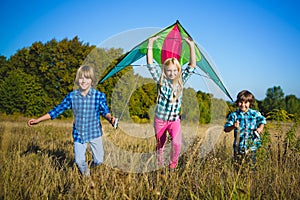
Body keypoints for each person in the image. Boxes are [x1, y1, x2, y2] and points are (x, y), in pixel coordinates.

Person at [27, 65, 116, 176]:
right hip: (79, 134)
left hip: (94, 133)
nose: (83, 81)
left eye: (87, 78)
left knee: (98, 160)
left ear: (92, 81)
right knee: (79, 161)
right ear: (77, 80)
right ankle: (86, 178)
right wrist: (38, 120)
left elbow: (105, 111)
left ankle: (90, 168)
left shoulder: (99, 96)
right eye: (81, 78)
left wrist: (110, 119)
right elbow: (57, 110)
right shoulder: (72, 96)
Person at [147, 35, 196, 169]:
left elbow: (192, 65)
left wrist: (191, 46)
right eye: (169, 70)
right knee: (160, 145)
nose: (172, 73)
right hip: (160, 120)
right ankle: (160, 165)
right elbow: (150, 64)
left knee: (177, 143)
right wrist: (151, 43)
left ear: (178, 70)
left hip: (174, 120)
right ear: (164, 70)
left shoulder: (181, 81)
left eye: (175, 70)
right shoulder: (161, 80)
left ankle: (172, 165)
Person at [224, 90, 266, 165]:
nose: (243, 105)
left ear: (250, 103)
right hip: (238, 147)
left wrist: (260, 128)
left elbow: (262, 120)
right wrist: (233, 126)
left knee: (252, 167)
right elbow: (226, 129)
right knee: (238, 168)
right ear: (237, 102)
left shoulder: (255, 113)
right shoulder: (234, 115)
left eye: (246, 102)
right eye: (241, 102)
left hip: (252, 147)